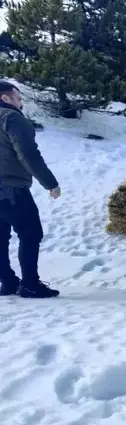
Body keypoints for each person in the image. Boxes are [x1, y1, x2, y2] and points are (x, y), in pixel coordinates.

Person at [0, 81, 61, 298]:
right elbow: (27, 153)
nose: (21, 102)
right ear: (5, 98)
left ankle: (7, 282)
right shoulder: (11, 117)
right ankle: (29, 284)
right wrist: (50, 183)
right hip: (11, 188)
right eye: (18, 98)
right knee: (30, 233)